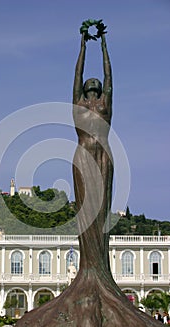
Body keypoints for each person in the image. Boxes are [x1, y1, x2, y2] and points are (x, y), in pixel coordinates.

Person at [72, 24, 113, 269]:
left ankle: (100, 269)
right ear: (86, 87)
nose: (95, 79)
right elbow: (77, 75)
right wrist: (83, 46)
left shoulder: (105, 103)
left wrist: (104, 44)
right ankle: (88, 268)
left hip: (103, 156)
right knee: (86, 210)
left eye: (98, 80)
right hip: (83, 154)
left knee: (101, 209)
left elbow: (109, 76)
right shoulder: (78, 103)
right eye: (91, 79)